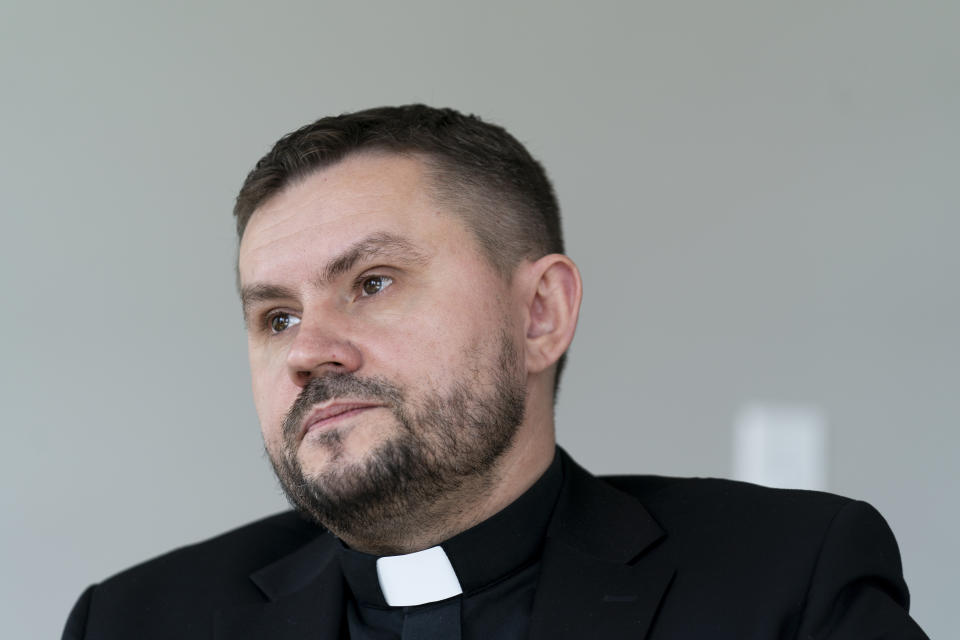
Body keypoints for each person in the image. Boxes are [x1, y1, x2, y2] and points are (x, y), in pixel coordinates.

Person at [62, 105, 928, 639]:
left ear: (539, 314)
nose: (305, 350)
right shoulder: (135, 622)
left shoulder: (787, 582)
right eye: (276, 316)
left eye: (371, 283)